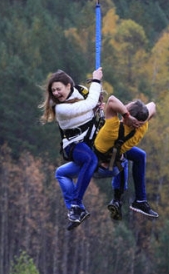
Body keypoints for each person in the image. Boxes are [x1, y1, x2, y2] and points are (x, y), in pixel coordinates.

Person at [40, 68, 114, 225]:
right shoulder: (60, 108)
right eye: (53, 91)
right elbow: (88, 104)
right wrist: (96, 80)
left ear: (69, 86)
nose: (56, 93)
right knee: (90, 160)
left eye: (58, 89)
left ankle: (119, 201)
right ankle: (75, 205)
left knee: (125, 157)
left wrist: (101, 107)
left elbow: (93, 104)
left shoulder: (81, 91)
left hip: (91, 141)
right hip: (74, 145)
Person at [92, 95, 159, 220]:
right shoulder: (142, 127)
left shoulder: (113, 127)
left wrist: (126, 115)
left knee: (122, 160)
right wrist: (143, 120)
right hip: (117, 150)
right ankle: (139, 199)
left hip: (101, 156)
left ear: (128, 113)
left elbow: (112, 100)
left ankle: (117, 199)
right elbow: (153, 105)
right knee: (139, 156)